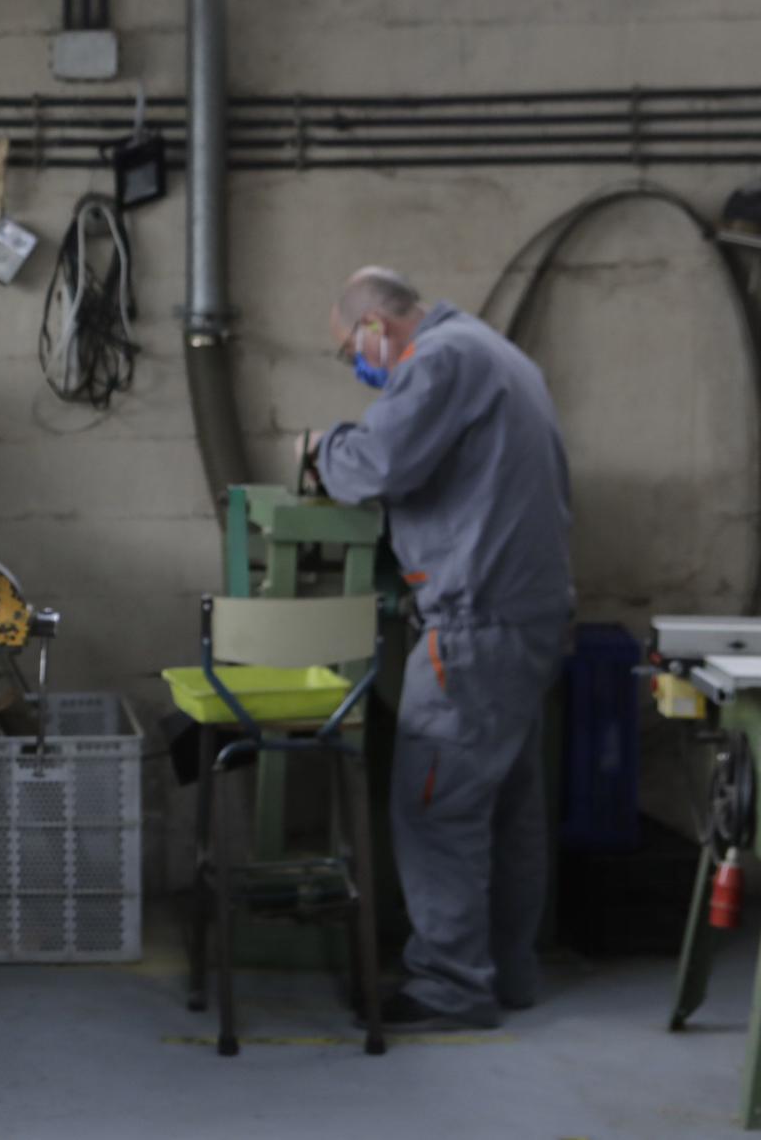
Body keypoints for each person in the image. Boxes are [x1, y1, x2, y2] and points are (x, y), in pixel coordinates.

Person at [316, 267, 572, 1031]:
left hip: (474, 624)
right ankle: (508, 972)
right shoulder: (499, 353)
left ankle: (452, 988)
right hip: (529, 617)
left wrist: (321, 444)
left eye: (349, 352)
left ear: (376, 330)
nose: (357, 367)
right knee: (509, 806)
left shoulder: (438, 359)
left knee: (437, 804)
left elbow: (375, 466)